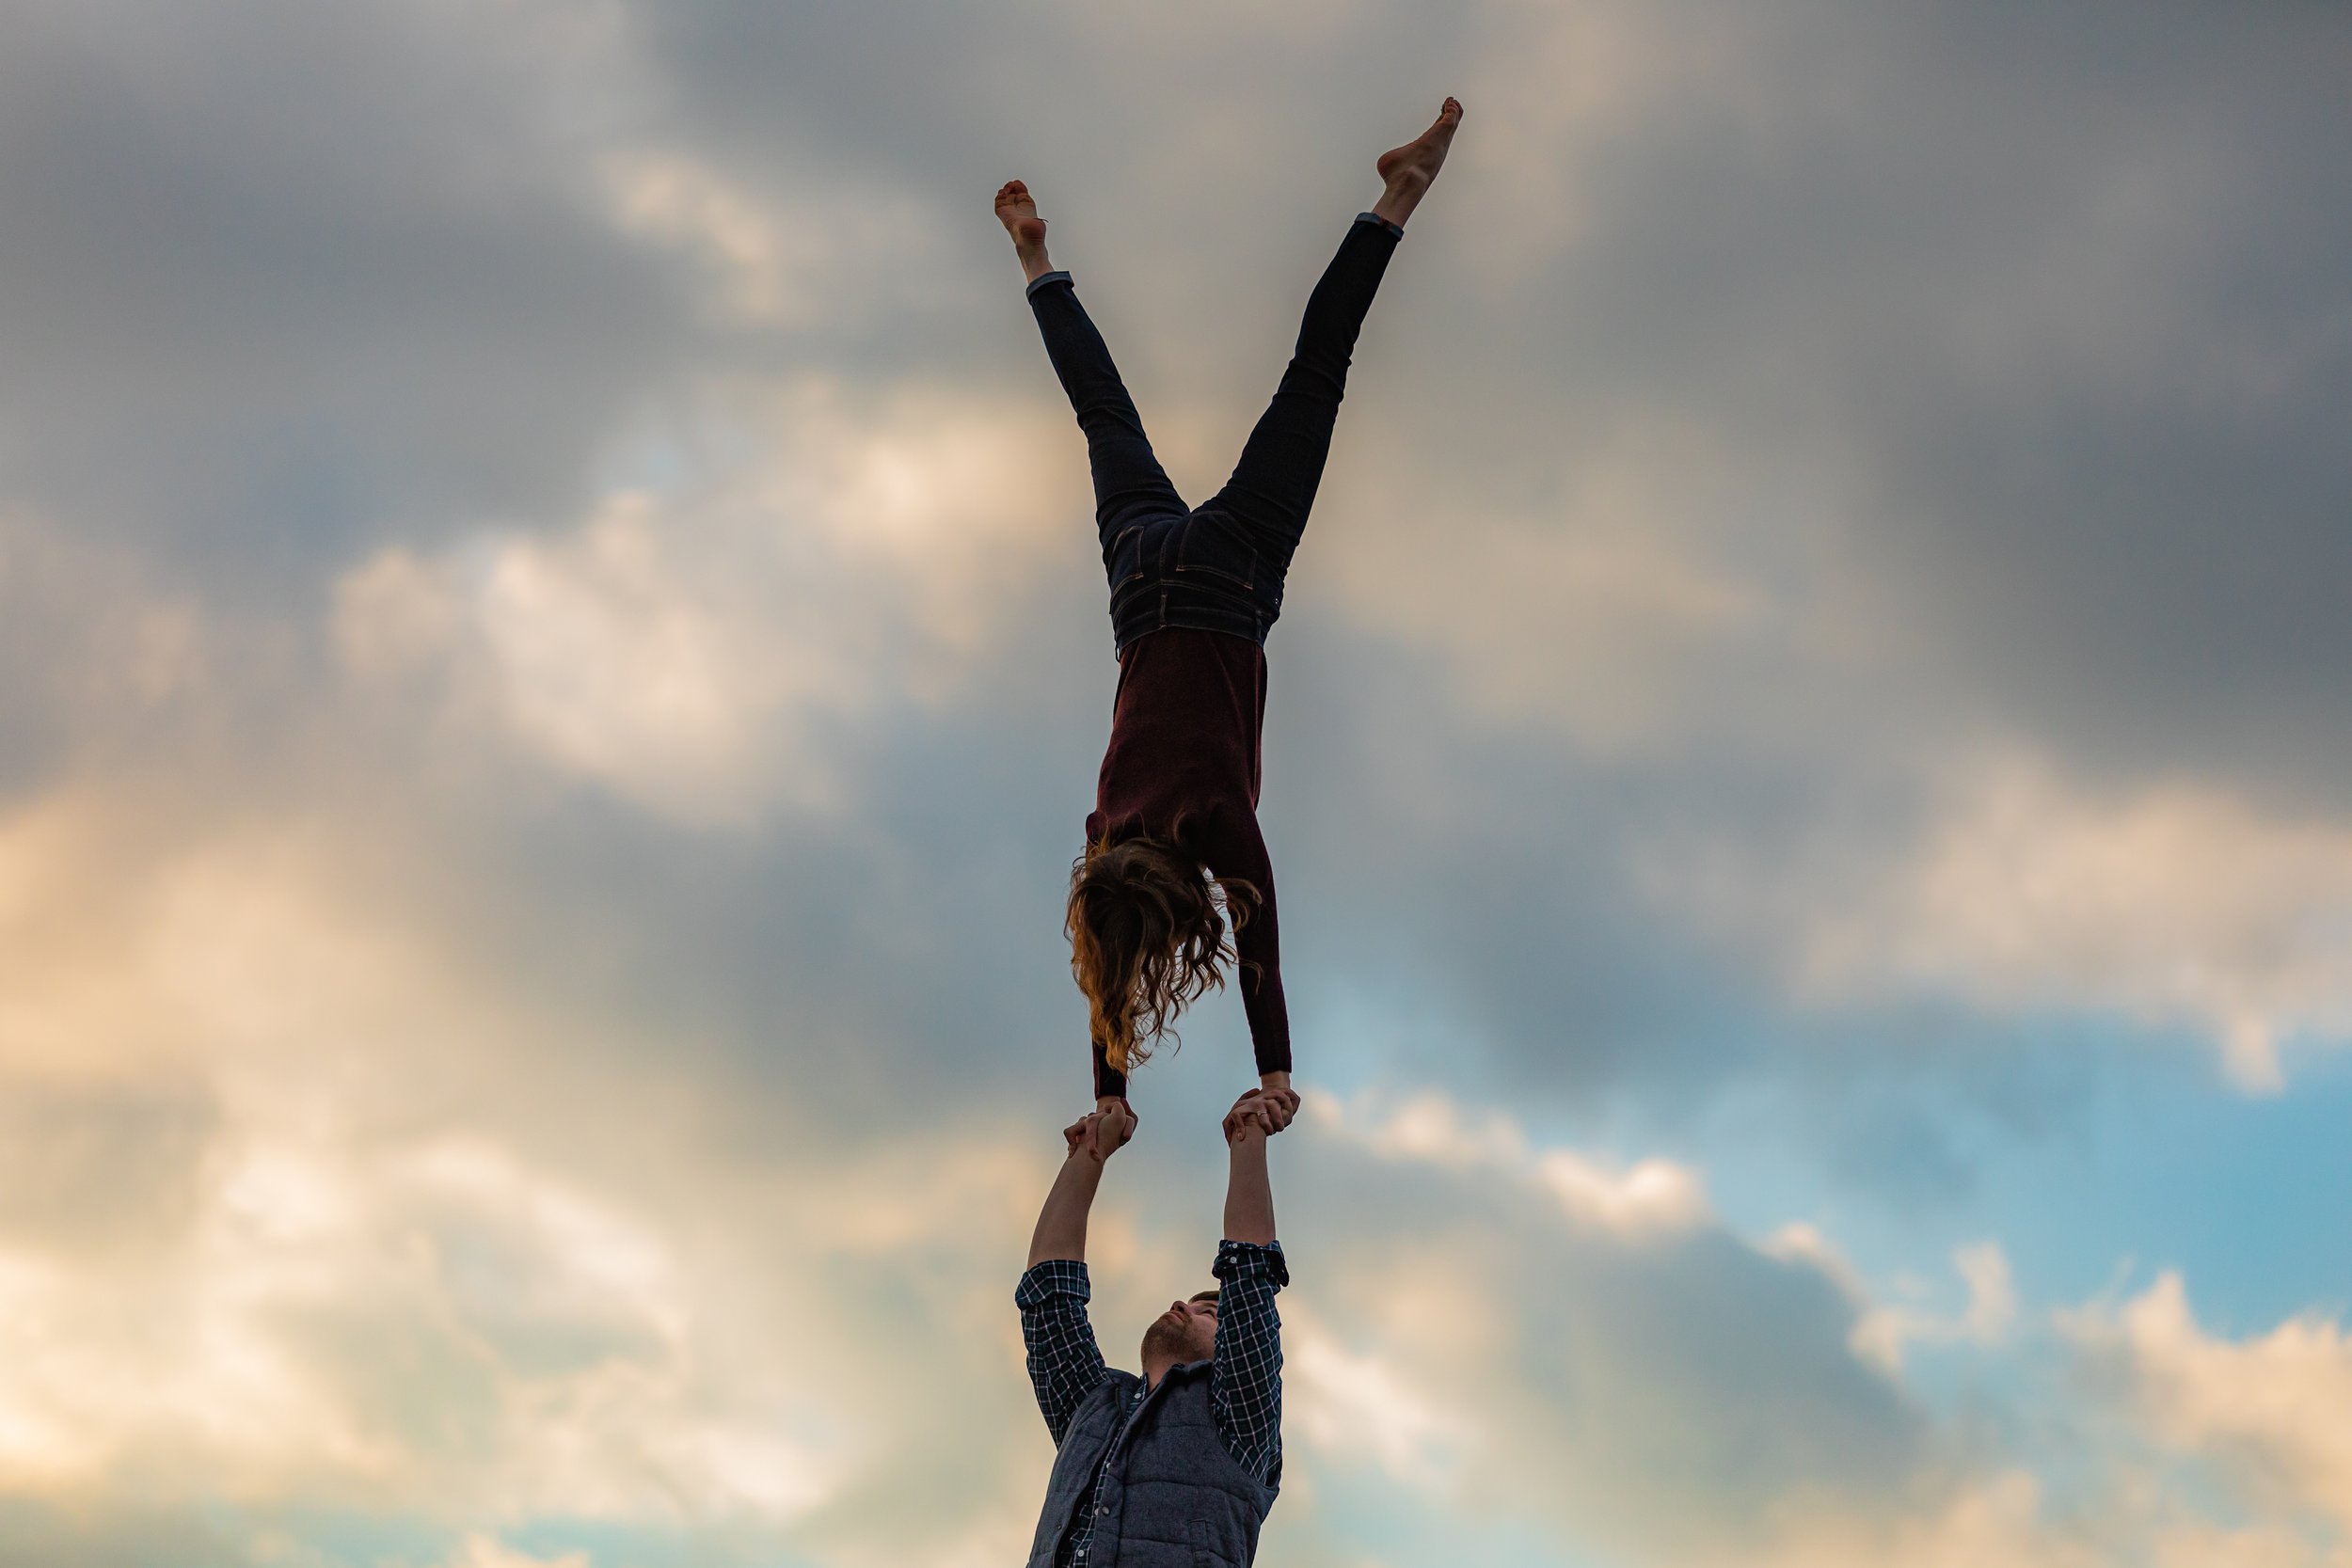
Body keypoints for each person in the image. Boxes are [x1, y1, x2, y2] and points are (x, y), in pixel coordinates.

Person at [994, 98, 1465, 1124]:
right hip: (1143, 580)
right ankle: (1036, 260)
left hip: (1233, 580)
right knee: (1101, 413)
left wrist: (1277, 1075)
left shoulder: (1212, 817)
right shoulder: (1106, 825)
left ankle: (1396, 196)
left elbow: (1260, 951)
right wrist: (1104, 1083)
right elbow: (1102, 968)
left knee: (1317, 377)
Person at [1014, 1089, 1291, 1568]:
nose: (1185, 1304)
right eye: (1192, 1301)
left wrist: (1249, 1141)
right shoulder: (1095, 1406)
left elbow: (1249, 1277)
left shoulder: (1243, 1419)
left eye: (1211, 1313)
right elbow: (1048, 1296)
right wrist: (1088, 1155)